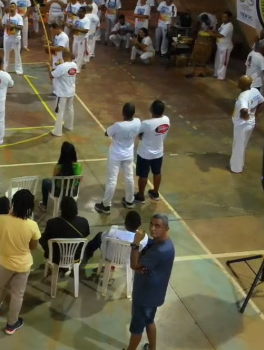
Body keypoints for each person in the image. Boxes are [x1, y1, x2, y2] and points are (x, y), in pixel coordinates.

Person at [0, 189, 40, 335]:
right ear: (30, 207)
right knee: (18, 295)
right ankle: (11, 324)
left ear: (13, 203)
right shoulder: (32, 225)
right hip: (23, 265)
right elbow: (33, 247)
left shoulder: (0, 220)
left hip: (5, 262)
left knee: (0, 286)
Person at [125, 214, 175, 350]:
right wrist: (140, 264)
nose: (153, 229)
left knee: (136, 328)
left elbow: (134, 264)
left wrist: (136, 242)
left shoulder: (159, 250)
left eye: (157, 226)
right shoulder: (164, 243)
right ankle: (152, 348)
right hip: (154, 295)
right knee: (149, 321)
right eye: (151, 224)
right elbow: (140, 263)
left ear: (166, 228)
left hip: (145, 296)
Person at [96, 102, 141, 213]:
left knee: (112, 180)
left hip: (116, 155)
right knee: (129, 177)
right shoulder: (138, 122)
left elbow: (107, 133)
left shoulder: (118, 125)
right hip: (128, 154)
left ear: (123, 113)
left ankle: (106, 205)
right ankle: (129, 201)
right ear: (133, 113)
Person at [136, 100, 170, 202]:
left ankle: (141, 196)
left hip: (145, 154)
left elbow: (140, 135)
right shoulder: (166, 119)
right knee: (157, 172)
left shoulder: (146, 123)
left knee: (143, 175)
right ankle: (155, 192)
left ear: (151, 109)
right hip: (158, 152)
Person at [231, 76, 264, 173]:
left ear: (241, 85)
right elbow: (263, 102)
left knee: (238, 146)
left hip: (241, 124)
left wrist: (244, 115)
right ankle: (240, 163)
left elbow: (244, 109)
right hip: (251, 123)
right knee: (242, 144)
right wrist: (255, 114)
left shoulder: (243, 97)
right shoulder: (254, 91)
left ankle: (236, 168)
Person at [39, 196, 90, 262]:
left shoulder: (52, 223)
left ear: (61, 209)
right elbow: (86, 234)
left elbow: (45, 239)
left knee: (41, 238)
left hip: (56, 258)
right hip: (75, 257)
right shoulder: (83, 222)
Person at [40, 141, 82, 210]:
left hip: (58, 192)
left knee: (45, 182)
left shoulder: (58, 167)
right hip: (72, 192)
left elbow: (53, 178)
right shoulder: (78, 166)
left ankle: (44, 204)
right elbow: (80, 180)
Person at [50, 50, 78, 137]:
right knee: (70, 109)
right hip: (71, 91)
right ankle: (69, 126)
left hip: (62, 93)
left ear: (64, 57)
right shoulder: (74, 65)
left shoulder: (61, 67)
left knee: (59, 111)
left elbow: (52, 75)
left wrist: (50, 67)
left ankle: (57, 131)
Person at [185, 12, 218, 78]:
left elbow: (212, 29)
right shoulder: (200, 16)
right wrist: (197, 32)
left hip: (211, 29)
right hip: (201, 37)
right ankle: (198, 68)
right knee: (202, 31)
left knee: (208, 32)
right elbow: (198, 24)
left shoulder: (213, 20)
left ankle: (202, 69)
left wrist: (209, 31)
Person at [2, 3, 25, 75]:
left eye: (13, 7)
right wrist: (4, 24)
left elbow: (21, 27)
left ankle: (19, 70)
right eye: (10, 7)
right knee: (6, 53)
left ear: (16, 8)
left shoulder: (19, 17)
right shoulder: (6, 16)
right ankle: (5, 69)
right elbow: (2, 27)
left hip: (16, 38)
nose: (11, 8)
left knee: (17, 54)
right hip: (7, 37)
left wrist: (14, 26)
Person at [213, 11, 234, 80]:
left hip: (225, 47)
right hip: (220, 46)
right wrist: (212, 31)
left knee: (223, 62)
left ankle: (221, 76)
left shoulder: (229, 26)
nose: (223, 18)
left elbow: (220, 35)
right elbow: (218, 31)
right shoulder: (223, 24)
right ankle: (216, 74)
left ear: (229, 18)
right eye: (223, 17)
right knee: (218, 61)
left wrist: (211, 34)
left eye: (225, 17)